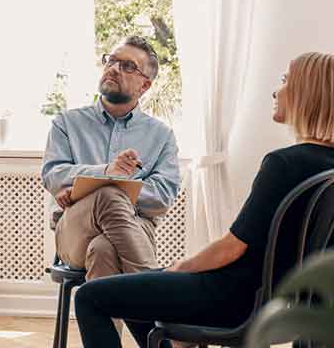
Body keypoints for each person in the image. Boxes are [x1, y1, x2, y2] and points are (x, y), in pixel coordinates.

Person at [74, 51, 334, 348]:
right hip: (274, 300)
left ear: (307, 93)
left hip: (231, 296)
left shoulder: (284, 164)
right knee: (133, 289)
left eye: (286, 80)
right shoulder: (327, 170)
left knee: (89, 297)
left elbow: (231, 248)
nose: (277, 90)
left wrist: (180, 267)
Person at [42, 36, 180, 281]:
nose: (114, 68)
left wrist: (93, 187)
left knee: (103, 249)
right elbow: (54, 176)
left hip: (138, 227)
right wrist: (108, 172)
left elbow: (163, 197)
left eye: (127, 66)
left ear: (145, 85)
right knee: (108, 195)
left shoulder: (161, 135)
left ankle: (124, 321)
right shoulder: (67, 123)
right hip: (74, 230)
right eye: (111, 61)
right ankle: (155, 294)